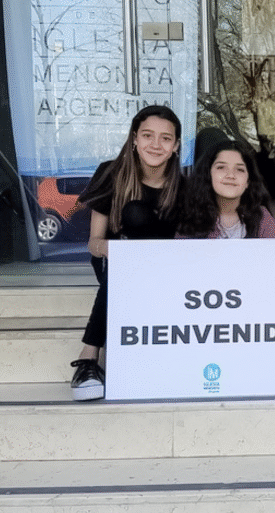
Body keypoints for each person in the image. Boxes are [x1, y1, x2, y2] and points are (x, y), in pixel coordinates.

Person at [71, 105, 185, 401]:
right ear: (134, 138)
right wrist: (116, 250)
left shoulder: (184, 187)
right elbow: (94, 242)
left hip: (164, 271)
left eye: (165, 138)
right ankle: (89, 358)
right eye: (147, 135)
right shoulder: (111, 173)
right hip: (116, 265)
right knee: (134, 222)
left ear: (175, 146)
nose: (156, 145)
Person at [177, 139, 275, 239]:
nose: (231, 175)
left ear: (248, 181)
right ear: (208, 175)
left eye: (240, 169)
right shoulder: (190, 217)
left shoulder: (263, 219)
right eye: (221, 167)